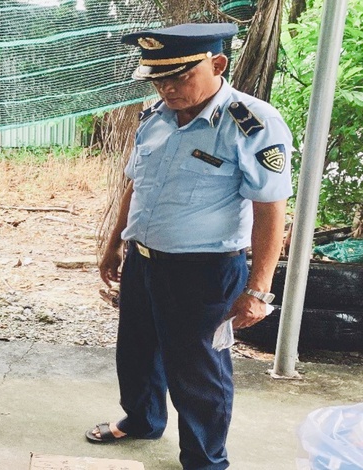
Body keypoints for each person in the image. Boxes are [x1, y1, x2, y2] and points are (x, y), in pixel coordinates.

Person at [86, 23, 293, 469]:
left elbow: (271, 210)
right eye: (159, 78)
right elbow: (134, 184)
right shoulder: (154, 116)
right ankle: (141, 419)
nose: (168, 88)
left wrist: (258, 289)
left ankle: (204, 460)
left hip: (205, 271)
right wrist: (115, 244)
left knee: (198, 370)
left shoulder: (251, 123)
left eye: (180, 76)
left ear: (217, 64)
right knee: (137, 350)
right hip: (143, 260)